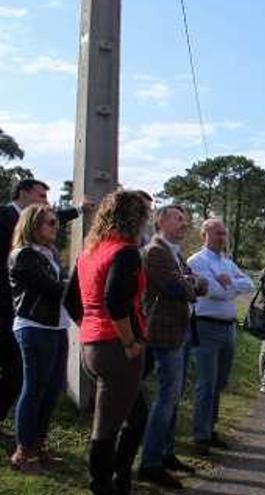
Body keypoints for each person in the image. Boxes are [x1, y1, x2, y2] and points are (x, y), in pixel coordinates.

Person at [72, 190, 151, 495]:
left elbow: (72, 300)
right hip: (116, 347)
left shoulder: (90, 251)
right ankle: (103, 485)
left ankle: (121, 477)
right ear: (135, 217)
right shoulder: (125, 251)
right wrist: (130, 342)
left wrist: (90, 326)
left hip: (93, 344)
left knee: (136, 412)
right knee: (106, 425)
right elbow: (116, 300)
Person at [0, 179, 87, 426]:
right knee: (21, 375)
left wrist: (79, 209)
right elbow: (50, 286)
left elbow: (51, 218)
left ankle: (31, 438)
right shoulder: (5, 219)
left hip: (37, 315)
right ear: (23, 193)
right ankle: (25, 443)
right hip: (15, 309)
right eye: (41, 196)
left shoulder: (47, 252)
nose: (45, 202)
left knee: (30, 378)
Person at [7, 205, 78, 470]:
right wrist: (79, 284)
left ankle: (39, 445)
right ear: (32, 226)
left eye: (55, 223)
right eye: (50, 223)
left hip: (56, 327)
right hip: (34, 326)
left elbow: (60, 285)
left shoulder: (49, 253)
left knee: (51, 390)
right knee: (34, 387)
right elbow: (50, 287)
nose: (54, 227)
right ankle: (23, 452)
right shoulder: (23, 255)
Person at [139, 205, 205, 488]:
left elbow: (199, 283)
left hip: (179, 332)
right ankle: (151, 463)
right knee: (166, 398)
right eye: (179, 218)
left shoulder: (174, 252)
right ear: (161, 220)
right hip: (163, 334)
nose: (184, 223)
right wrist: (190, 284)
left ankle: (166, 453)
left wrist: (191, 282)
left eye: (185, 219)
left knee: (173, 397)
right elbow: (179, 288)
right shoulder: (156, 251)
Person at [187, 218, 254, 455]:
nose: (222, 237)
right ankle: (200, 435)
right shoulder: (196, 261)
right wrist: (229, 287)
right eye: (217, 233)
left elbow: (249, 283)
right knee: (206, 383)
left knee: (219, 382)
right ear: (204, 234)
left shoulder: (226, 262)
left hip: (228, 328)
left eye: (224, 233)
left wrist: (230, 282)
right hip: (206, 327)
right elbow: (213, 292)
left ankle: (210, 428)